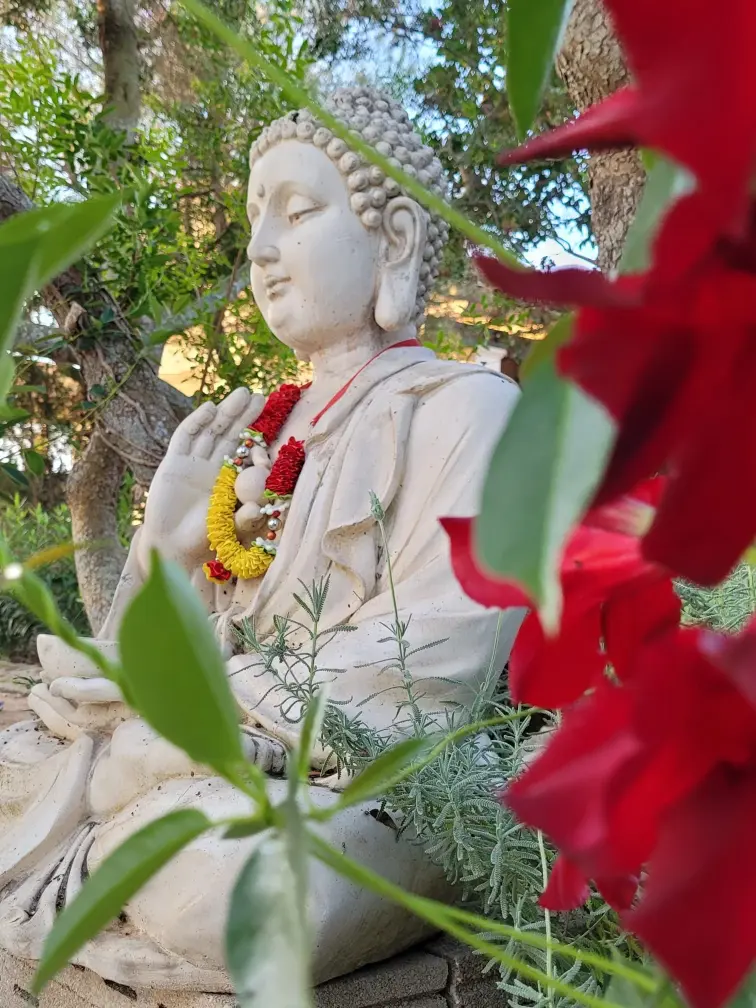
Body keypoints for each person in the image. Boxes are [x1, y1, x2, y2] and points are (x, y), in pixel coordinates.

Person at [0, 87, 523, 993]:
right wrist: (164, 548)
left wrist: (197, 719)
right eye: (253, 219)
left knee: (238, 886)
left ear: (392, 240)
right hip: (204, 759)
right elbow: (145, 660)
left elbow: (438, 667)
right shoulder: (258, 446)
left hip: (377, 785)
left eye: (298, 211)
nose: (259, 250)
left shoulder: (470, 409)